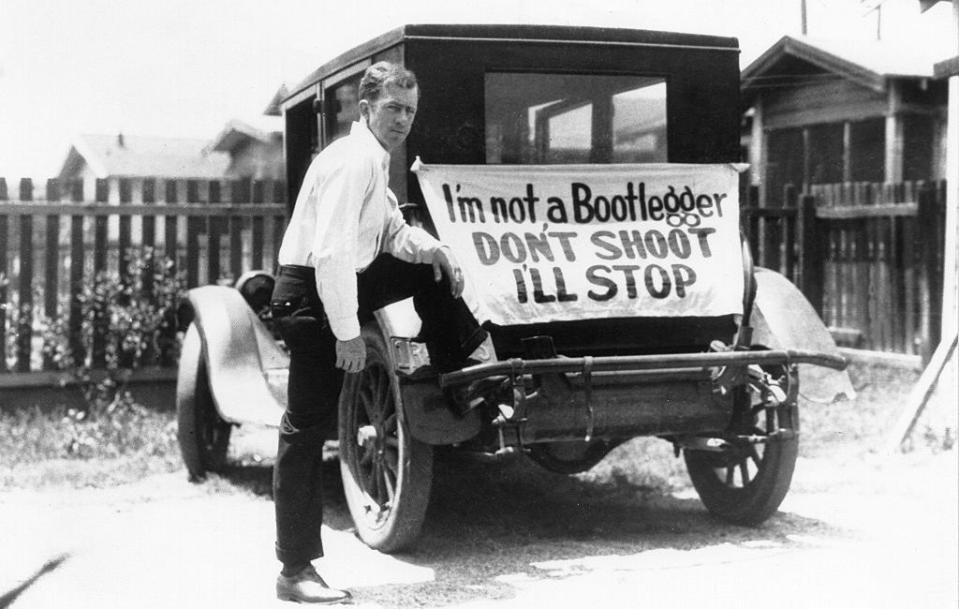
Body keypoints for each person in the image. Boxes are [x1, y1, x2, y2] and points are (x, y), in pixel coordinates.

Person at [269, 61, 489, 604]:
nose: (402, 119)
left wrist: (433, 248)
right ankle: (294, 571)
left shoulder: (374, 158)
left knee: (428, 265)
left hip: (339, 283)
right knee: (304, 429)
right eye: (393, 108)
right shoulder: (351, 161)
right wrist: (346, 333)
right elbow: (333, 252)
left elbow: (389, 232)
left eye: (410, 110)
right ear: (365, 108)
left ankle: (463, 372)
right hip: (308, 296)